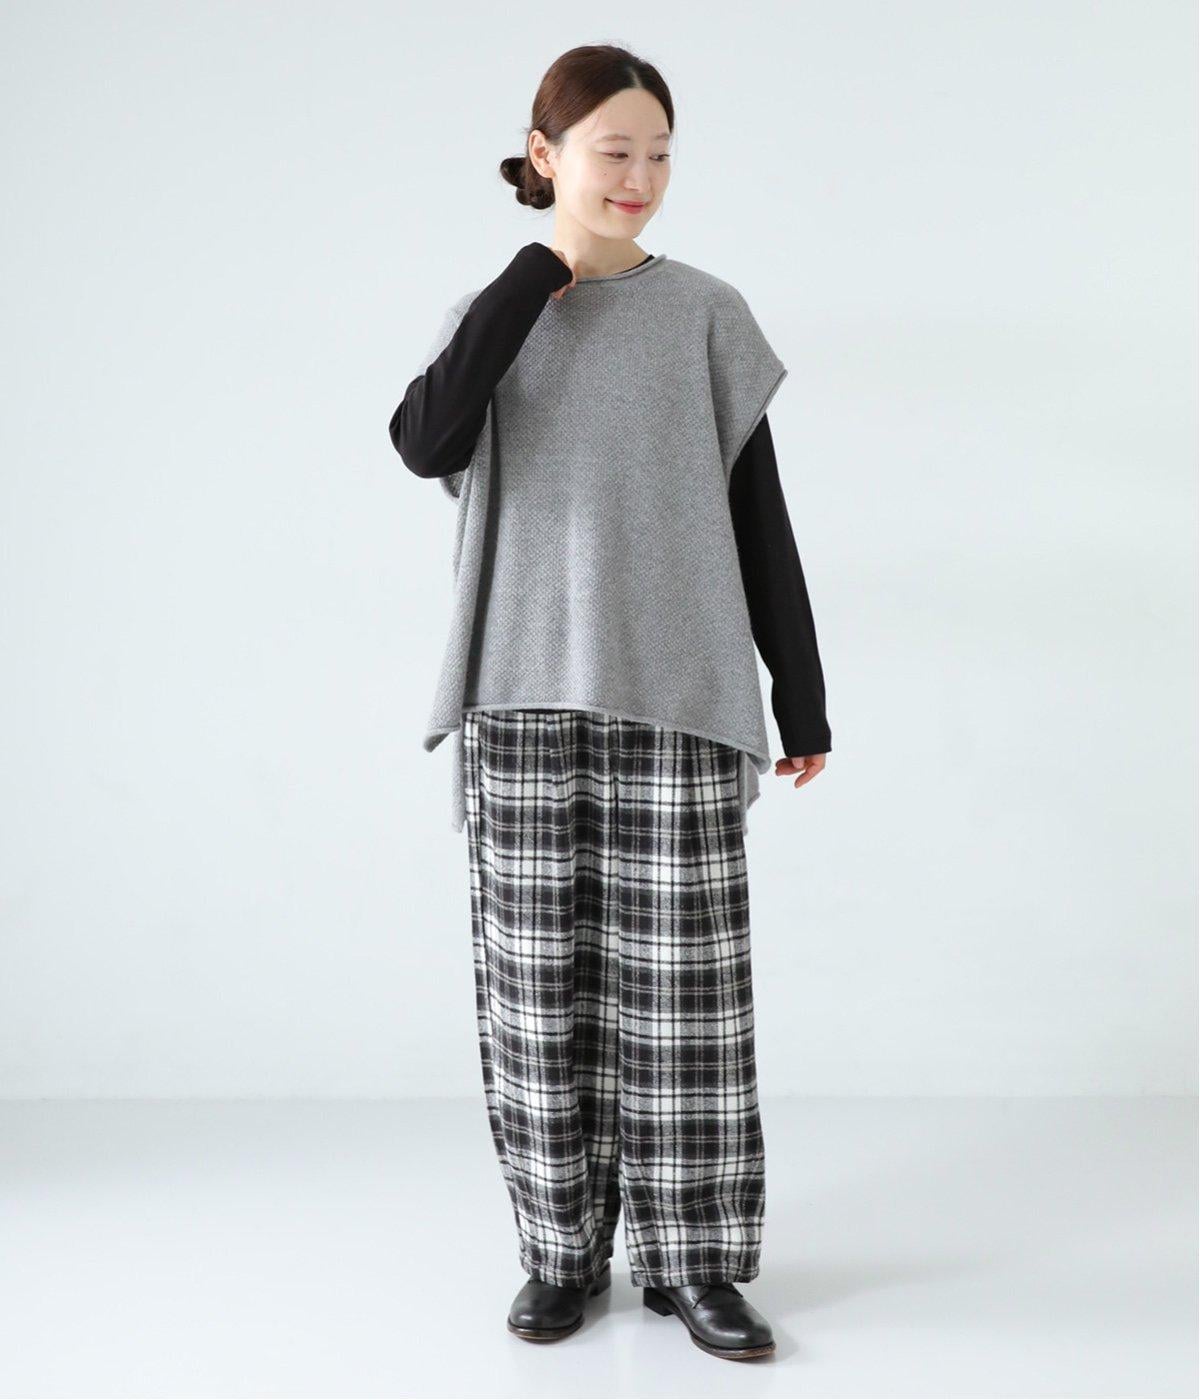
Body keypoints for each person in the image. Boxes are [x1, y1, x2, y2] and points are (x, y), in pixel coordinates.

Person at [389, 44, 831, 1364]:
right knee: (540, 1001)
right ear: (547, 157)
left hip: (678, 694)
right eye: (612, 151)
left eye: (658, 154)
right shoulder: (495, 312)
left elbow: (760, 519)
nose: (639, 176)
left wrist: (801, 695)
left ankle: (694, 1263)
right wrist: (537, 276)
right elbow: (423, 442)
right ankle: (561, 1250)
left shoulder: (705, 315)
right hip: (521, 696)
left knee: (685, 1004)